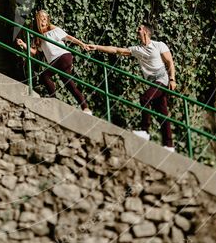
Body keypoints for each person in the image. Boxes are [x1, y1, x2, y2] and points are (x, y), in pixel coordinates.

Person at [87, 23, 176, 151]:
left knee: (145, 98)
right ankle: (169, 145)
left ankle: (145, 131)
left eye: (139, 28)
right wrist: (96, 47)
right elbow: (117, 50)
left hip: (162, 79)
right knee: (163, 113)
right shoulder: (137, 49)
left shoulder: (159, 45)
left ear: (145, 31)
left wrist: (172, 79)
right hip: (151, 82)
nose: (137, 30)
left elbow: (170, 62)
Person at [16, 10, 93, 114]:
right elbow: (33, 51)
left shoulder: (51, 28)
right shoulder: (38, 36)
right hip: (55, 61)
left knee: (44, 75)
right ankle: (85, 108)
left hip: (63, 57)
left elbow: (68, 37)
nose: (43, 18)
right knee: (69, 84)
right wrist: (24, 44)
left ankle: (54, 100)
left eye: (45, 17)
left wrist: (82, 44)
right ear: (37, 19)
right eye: (41, 16)